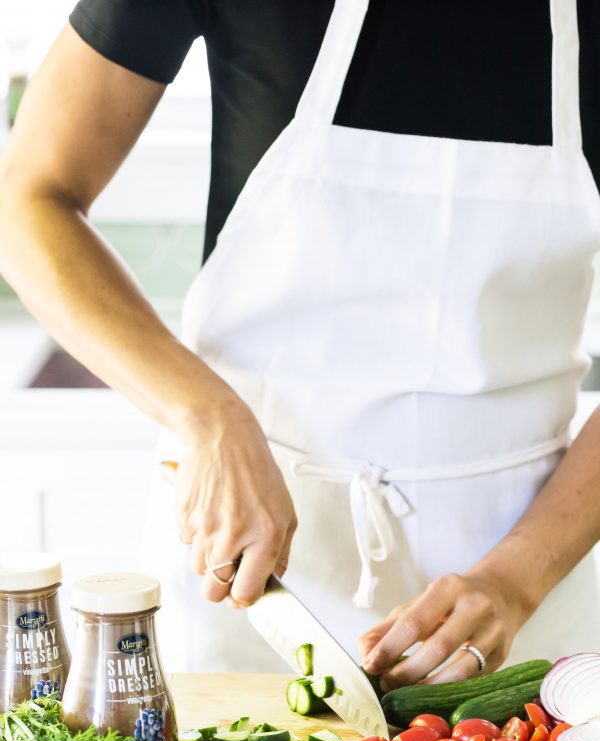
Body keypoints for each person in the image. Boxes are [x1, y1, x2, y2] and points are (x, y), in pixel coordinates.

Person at [1, 0, 600, 686]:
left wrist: (517, 579)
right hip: (250, 573)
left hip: (523, 590)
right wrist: (206, 418)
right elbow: (28, 199)